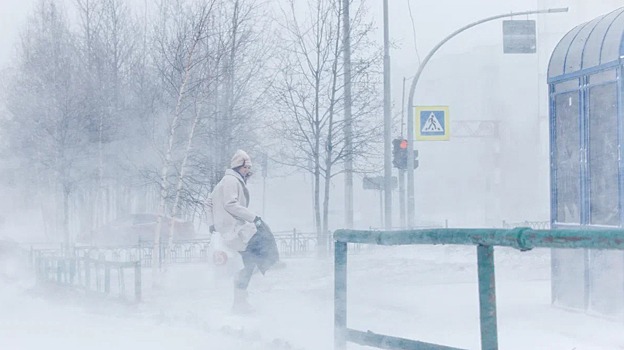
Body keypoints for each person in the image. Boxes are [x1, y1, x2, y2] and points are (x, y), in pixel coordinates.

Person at [206, 150, 279, 313]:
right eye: (246, 167)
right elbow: (230, 204)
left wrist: (212, 224)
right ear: (238, 166)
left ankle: (241, 300)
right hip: (233, 230)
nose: (248, 170)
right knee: (260, 244)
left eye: (249, 167)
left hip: (231, 228)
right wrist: (254, 218)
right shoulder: (232, 180)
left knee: (248, 262)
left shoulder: (226, 181)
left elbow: (208, 202)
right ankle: (242, 299)